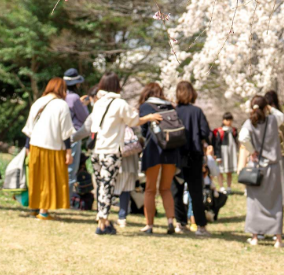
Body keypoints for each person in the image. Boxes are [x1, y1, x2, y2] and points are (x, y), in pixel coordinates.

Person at [91, 72, 163, 236]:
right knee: (107, 187)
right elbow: (134, 121)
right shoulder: (119, 103)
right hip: (111, 151)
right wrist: (150, 117)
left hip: (97, 150)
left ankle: (104, 222)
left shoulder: (98, 103)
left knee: (102, 186)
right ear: (117, 86)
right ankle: (102, 224)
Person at [239, 94, 284, 248]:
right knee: (275, 202)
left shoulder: (249, 123)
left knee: (255, 203)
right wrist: (269, 107)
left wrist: (252, 151)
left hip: (257, 167)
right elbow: (282, 116)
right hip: (273, 167)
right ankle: (278, 239)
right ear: (265, 107)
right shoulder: (273, 120)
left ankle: (255, 237)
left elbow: (242, 138)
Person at [22, 77, 75, 220]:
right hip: (52, 147)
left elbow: (29, 128)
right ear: (61, 89)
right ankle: (43, 212)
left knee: (36, 178)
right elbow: (66, 132)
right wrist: (68, 151)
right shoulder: (61, 105)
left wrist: (27, 147)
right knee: (48, 179)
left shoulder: (38, 102)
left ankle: (35, 207)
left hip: (34, 145)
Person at [171, 81, 212, 236]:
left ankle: (180, 223)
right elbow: (204, 132)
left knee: (177, 190)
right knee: (196, 192)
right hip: (194, 155)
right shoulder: (197, 112)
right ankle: (200, 225)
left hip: (176, 156)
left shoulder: (174, 112)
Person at [138, 82, 180, 234]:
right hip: (171, 149)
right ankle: (170, 222)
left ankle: (149, 225)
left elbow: (143, 131)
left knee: (150, 189)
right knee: (166, 188)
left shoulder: (145, 107)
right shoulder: (170, 106)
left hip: (153, 150)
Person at [264, 90, 284, 207]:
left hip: (266, 152)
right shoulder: (282, 116)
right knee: (283, 177)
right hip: (281, 150)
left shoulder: (263, 116)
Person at [63, 68, 89, 199]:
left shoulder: (62, 96)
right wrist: (84, 105)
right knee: (70, 169)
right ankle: (66, 200)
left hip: (60, 136)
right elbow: (85, 117)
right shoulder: (74, 97)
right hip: (73, 136)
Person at [211, 112, 238, 193]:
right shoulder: (219, 131)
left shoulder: (234, 130)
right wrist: (217, 155)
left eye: (230, 120)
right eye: (227, 119)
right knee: (220, 171)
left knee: (229, 171)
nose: (228, 121)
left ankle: (229, 187)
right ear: (223, 120)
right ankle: (221, 187)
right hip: (222, 153)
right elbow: (217, 144)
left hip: (231, 152)